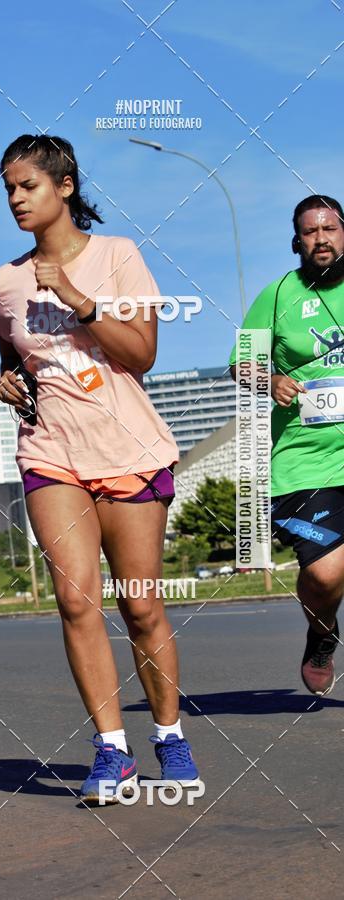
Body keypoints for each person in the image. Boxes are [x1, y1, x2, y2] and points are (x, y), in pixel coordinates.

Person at [0, 134, 199, 804]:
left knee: (139, 605)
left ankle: (168, 735)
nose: (17, 198)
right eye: (9, 188)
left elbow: (141, 355)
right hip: (52, 454)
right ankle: (113, 750)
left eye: (28, 186)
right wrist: (8, 379)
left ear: (65, 186)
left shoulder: (118, 256)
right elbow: (11, 353)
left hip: (129, 451)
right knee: (76, 601)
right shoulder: (4, 281)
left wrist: (81, 301)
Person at [229, 195, 344, 696]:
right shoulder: (277, 296)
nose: (321, 238)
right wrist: (269, 378)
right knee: (325, 574)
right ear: (296, 241)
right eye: (310, 231)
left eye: (330, 228)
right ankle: (321, 634)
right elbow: (240, 364)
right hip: (304, 461)